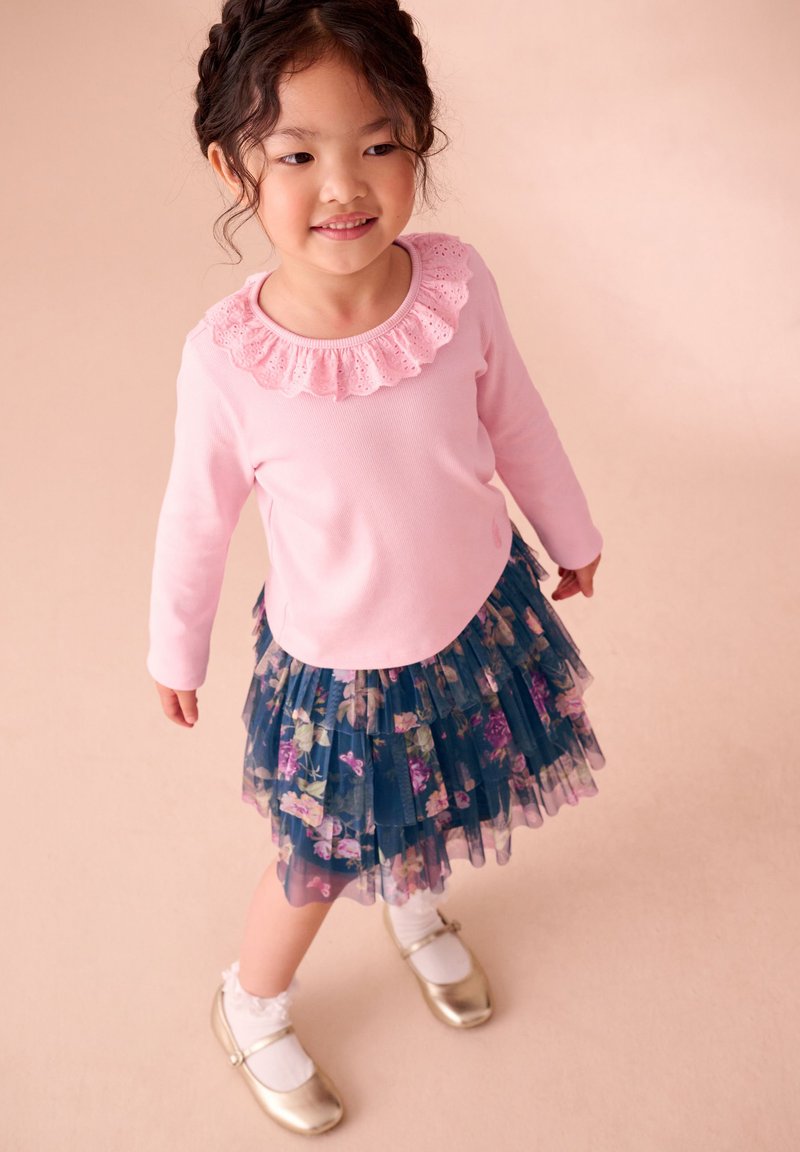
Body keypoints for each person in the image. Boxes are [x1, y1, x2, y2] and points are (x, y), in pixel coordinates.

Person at [146, 0, 605, 1136]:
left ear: (418, 138)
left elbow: (517, 419)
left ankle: (414, 903)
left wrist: (570, 533)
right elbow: (195, 518)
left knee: (444, 796)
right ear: (233, 167)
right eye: (297, 155)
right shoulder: (228, 361)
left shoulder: (456, 288)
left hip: (472, 619)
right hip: (341, 670)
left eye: (378, 143)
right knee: (313, 860)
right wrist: (174, 646)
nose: (344, 185)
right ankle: (251, 1002)